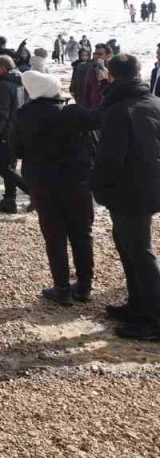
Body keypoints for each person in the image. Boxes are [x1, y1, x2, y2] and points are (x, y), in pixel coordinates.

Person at [9, 70, 98, 304]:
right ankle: (85, 286)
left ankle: (62, 289)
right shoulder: (74, 112)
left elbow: (15, 151)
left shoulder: (22, 115)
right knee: (82, 233)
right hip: (78, 182)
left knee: (55, 236)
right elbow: (97, 128)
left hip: (43, 184)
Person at [90, 55, 160, 339]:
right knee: (128, 247)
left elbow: (110, 158)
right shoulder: (154, 102)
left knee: (140, 252)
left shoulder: (119, 109)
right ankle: (137, 305)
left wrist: (95, 185)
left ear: (112, 76)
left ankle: (154, 319)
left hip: (129, 191)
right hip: (146, 187)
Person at [0, 55, 27, 213]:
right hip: (16, 131)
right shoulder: (19, 82)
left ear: (3, 68)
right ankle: (9, 201)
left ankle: (33, 193)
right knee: (9, 167)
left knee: (2, 167)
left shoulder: (3, 85)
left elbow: (1, 114)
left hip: (5, 133)